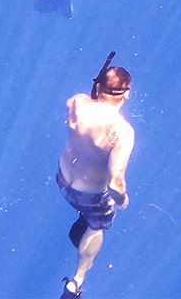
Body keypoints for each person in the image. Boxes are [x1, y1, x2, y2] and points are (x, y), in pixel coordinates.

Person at [56, 53, 135, 298]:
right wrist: (122, 201)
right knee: (99, 223)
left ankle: (83, 216)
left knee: (90, 207)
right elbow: (115, 182)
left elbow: (79, 109)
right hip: (89, 195)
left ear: (97, 86)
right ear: (127, 94)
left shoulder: (77, 103)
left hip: (62, 179)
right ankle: (76, 283)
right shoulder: (123, 132)